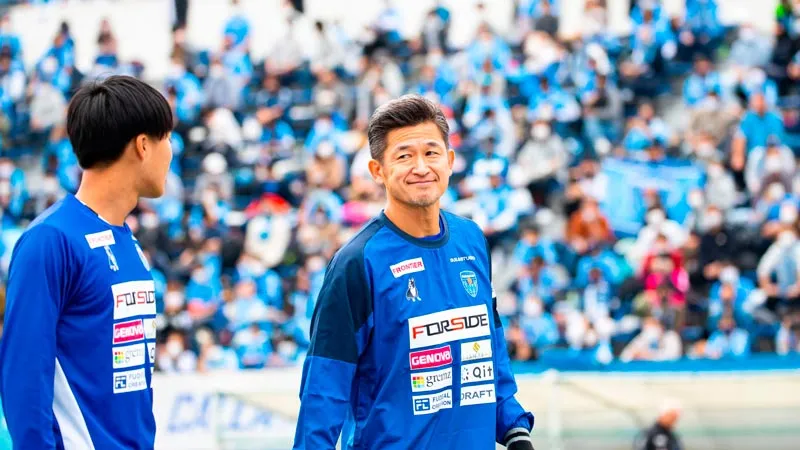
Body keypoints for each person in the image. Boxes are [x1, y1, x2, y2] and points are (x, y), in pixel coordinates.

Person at [292, 95, 535, 449]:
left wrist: (514, 430)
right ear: (378, 171)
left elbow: (487, 348)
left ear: (450, 161)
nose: (421, 167)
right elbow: (322, 395)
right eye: (404, 156)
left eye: (431, 153)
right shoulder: (358, 263)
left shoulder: (471, 241)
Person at [0, 75, 173, 449]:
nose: (171, 152)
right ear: (143, 145)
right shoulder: (50, 241)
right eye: (168, 138)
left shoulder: (129, 244)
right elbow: (24, 380)